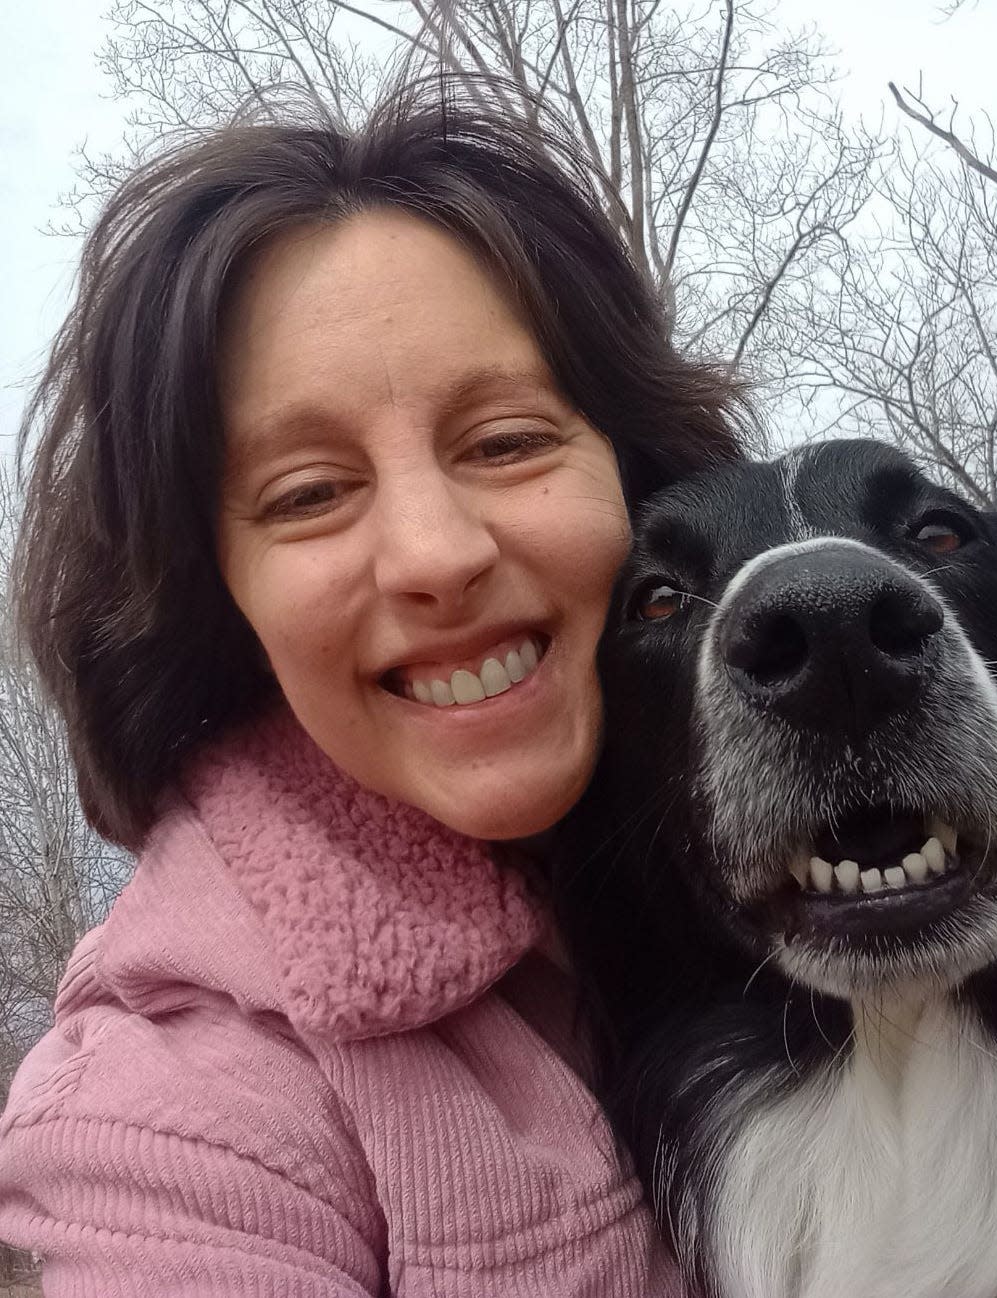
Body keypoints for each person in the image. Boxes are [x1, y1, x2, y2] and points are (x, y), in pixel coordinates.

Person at [0, 82, 745, 1295]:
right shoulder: (182, 1104)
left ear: (636, 478)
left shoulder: (779, 871)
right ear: (220, 598)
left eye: (506, 440)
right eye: (308, 493)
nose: (437, 552)